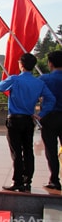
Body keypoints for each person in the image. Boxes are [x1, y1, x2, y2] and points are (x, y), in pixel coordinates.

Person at [0, 53, 55, 192]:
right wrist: (41, 114)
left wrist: (9, 79)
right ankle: (27, 181)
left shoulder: (15, 80)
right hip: (29, 120)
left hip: (14, 120)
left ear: (21, 65)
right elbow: (51, 99)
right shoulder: (39, 83)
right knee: (28, 151)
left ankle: (17, 181)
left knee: (16, 151)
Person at [39, 50, 62, 191]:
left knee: (51, 150)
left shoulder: (44, 79)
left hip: (50, 117)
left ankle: (54, 180)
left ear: (50, 63)